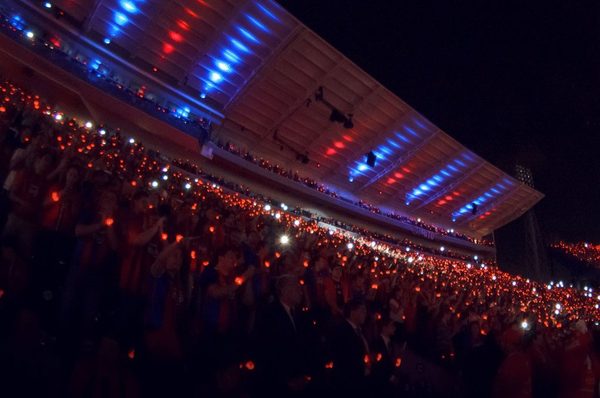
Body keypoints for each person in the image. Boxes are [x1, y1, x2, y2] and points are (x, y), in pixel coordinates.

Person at [256, 274, 310, 395]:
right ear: (285, 290)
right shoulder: (270, 314)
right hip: (278, 380)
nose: (301, 292)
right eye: (297, 288)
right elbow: (270, 348)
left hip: (297, 376)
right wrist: (286, 378)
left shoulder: (298, 314)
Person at [329, 298, 370, 395]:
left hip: (357, 380)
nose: (365, 313)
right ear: (352, 311)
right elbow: (344, 357)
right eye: (362, 310)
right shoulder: (342, 330)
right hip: (347, 383)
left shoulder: (359, 331)